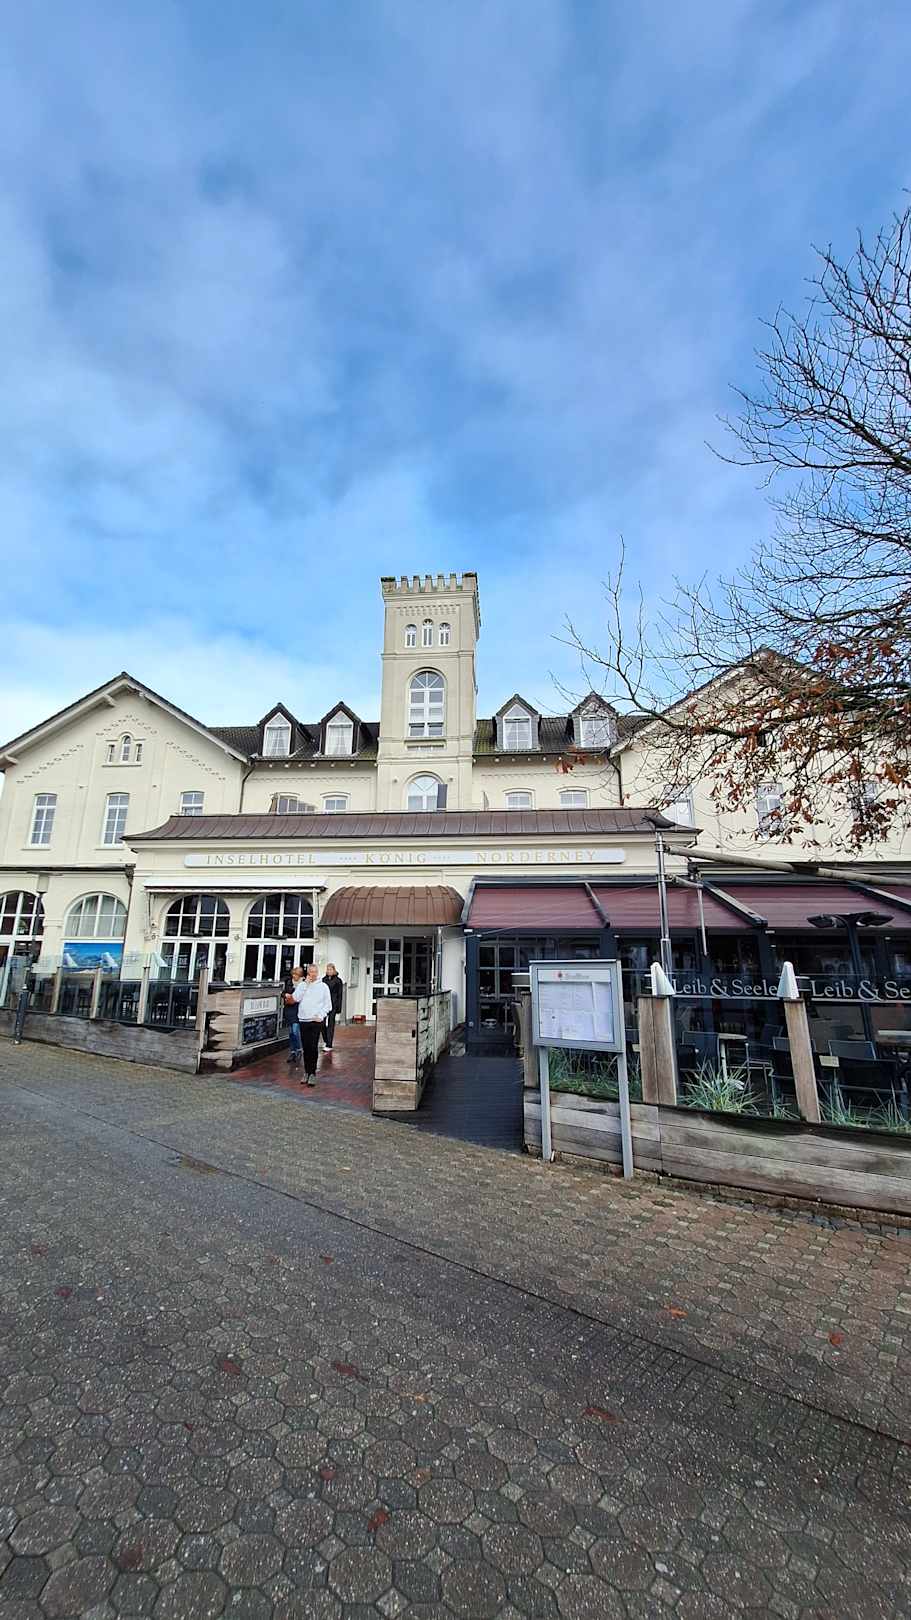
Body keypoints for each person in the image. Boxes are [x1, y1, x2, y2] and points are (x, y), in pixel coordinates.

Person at [292, 963, 332, 1086]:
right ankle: (306, 1072)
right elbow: (296, 998)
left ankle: (312, 1073)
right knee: (306, 1047)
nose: (313, 974)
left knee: (313, 1047)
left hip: (315, 1021)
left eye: (315, 972)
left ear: (317, 973)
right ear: (308, 973)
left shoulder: (323, 987)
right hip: (303, 1020)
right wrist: (305, 985)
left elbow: (328, 1005)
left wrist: (321, 1016)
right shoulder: (302, 985)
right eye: (311, 972)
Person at [282, 965, 304, 1066]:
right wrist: (285, 995)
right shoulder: (288, 982)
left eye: (296, 975)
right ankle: (292, 1051)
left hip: (298, 1009)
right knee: (291, 1032)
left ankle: (299, 1049)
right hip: (289, 1009)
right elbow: (283, 993)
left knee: (295, 1031)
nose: (294, 976)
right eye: (293, 974)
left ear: (300, 975)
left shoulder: (303, 984)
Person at [322, 963, 344, 1050]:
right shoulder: (324, 980)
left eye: (330, 969)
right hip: (324, 1005)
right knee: (322, 1023)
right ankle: (326, 1040)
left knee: (331, 1024)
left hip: (333, 1004)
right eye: (327, 969)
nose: (329, 971)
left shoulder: (338, 981)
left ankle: (329, 1044)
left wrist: (339, 1008)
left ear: (334, 970)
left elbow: (340, 995)